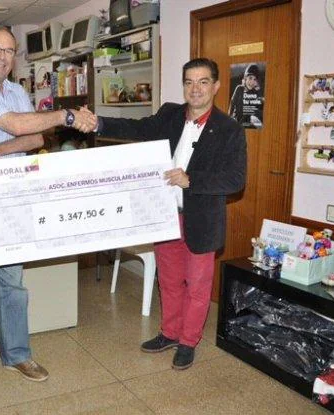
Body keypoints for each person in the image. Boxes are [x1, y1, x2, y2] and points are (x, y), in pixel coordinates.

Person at [76, 58, 247, 370]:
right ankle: (169, 332)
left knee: (197, 287)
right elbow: (137, 128)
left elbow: (236, 180)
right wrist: (98, 122)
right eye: (189, 82)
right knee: (168, 281)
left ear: (216, 86)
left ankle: (188, 341)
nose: (195, 89)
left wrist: (191, 180)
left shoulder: (229, 129)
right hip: (165, 216)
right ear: (183, 86)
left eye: (203, 82)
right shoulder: (169, 114)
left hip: (202, 221)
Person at [0, 25, 93, 384]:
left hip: (6, 199)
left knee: (12, 282)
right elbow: (15, 124)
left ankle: (17, 354)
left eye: (9, 51)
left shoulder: (15, 92)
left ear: (14, 59)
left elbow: (32, 137)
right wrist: (67, 115)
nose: (1, 56)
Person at [228, 63, 264, 128]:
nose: (252, 82)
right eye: (250, 78)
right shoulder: (239, 88)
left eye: (255, 79)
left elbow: (260, 107)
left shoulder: (255, 92)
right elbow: (232, 103)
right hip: (236, 121)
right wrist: (229, 119)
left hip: (247, 123)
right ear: (245, 78)